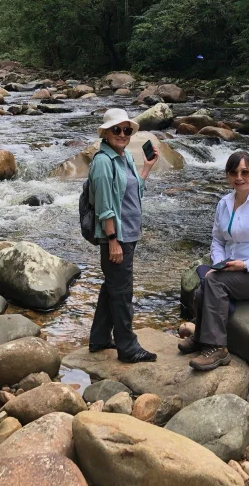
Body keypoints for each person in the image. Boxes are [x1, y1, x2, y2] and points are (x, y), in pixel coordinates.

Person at [178, 150, 249, 371]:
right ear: (227, 175)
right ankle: (200, 336)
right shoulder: (224, 204)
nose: (239, 177)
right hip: (231, 269)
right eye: (234, 172)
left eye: (245, 172)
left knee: (213, 283)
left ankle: (218, 348)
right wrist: (219, 264)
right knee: (204, 286)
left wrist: (245, 265)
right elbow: (217, 240)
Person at [88, 107, 160, 363]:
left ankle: (98, 338)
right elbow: (105, 207)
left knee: (112, 286)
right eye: (116, 129)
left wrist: (147, 167)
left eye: (126, 130)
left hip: (129, 233)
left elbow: (132, 191)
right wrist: (112, 241)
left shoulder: (125, 157)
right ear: (105, 133)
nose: (122, 134)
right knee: (122, 292)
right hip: (117, 237)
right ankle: (128, 348)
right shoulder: (103, 163)